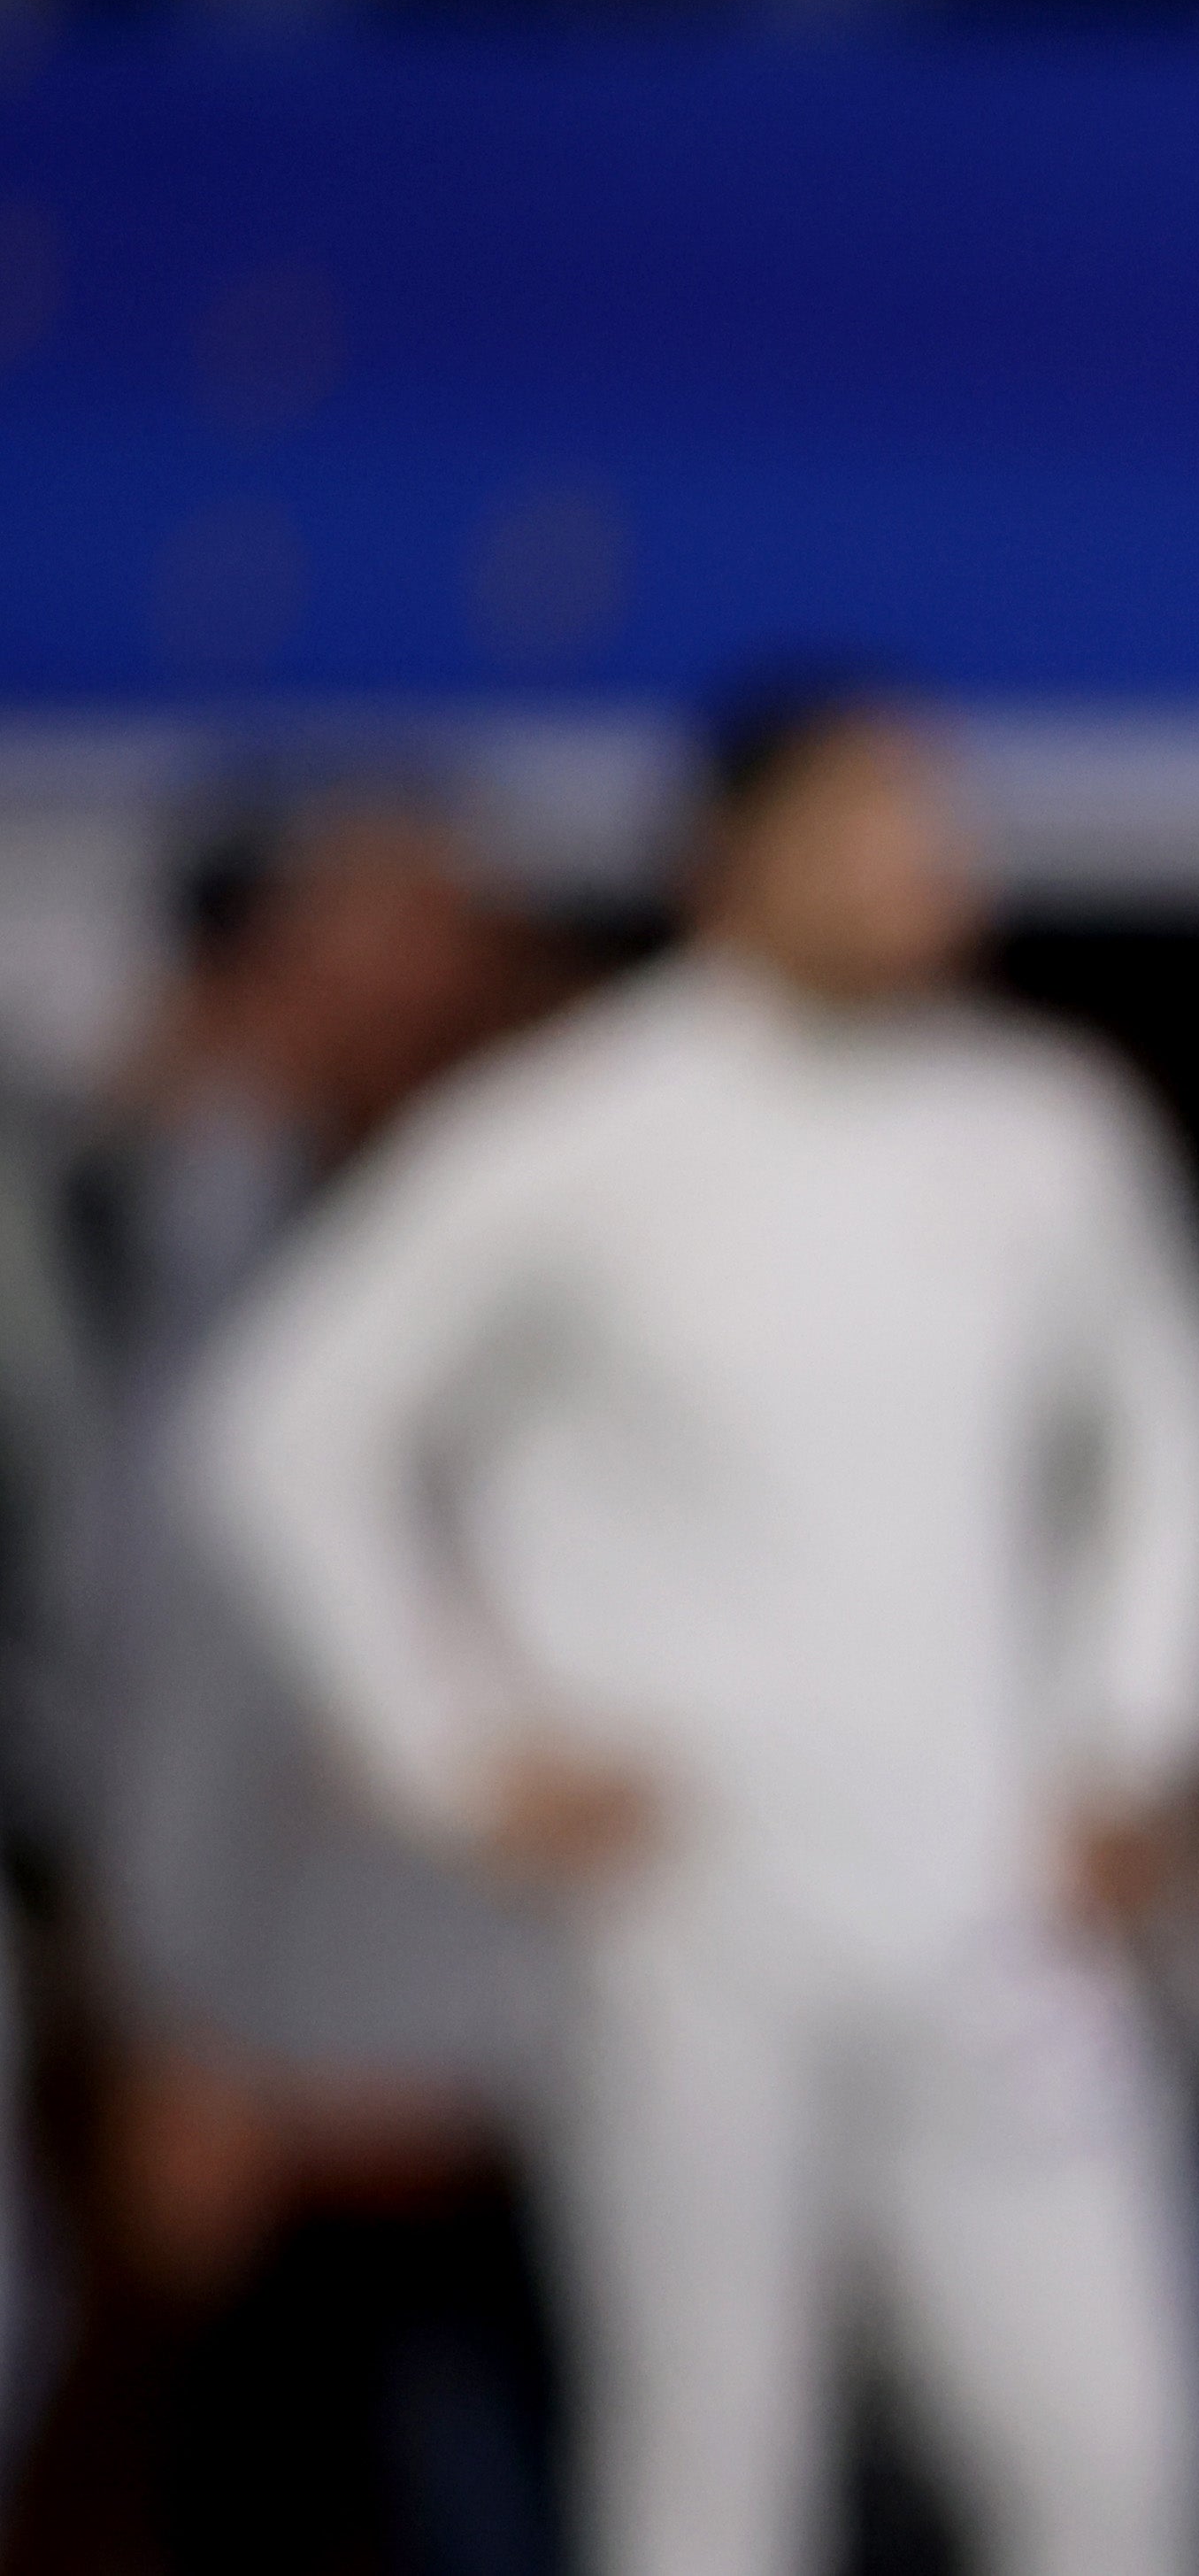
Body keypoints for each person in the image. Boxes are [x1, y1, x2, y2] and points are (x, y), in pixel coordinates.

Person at [195, 681, 1199, 2576]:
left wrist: (1137, 1738)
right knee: (713, 2471)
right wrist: (462, 1748)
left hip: (997, 1907)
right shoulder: (577, 1137)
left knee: (1120, 2463)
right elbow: (285, 1428)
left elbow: (1187, 1432)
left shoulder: (1044, 1135)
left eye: (931, 822)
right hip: (698, 1919)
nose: (919, 865)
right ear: (729, 861)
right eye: (865, 822)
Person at [64, 799, 570, 2576]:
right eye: (358, 935)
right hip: (320, 2057)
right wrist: (180, 2022)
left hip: (585, 2055)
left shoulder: (575, 1205)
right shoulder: (222, 1262)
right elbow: (162, 1675)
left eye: (440, 928)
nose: (408, 976)